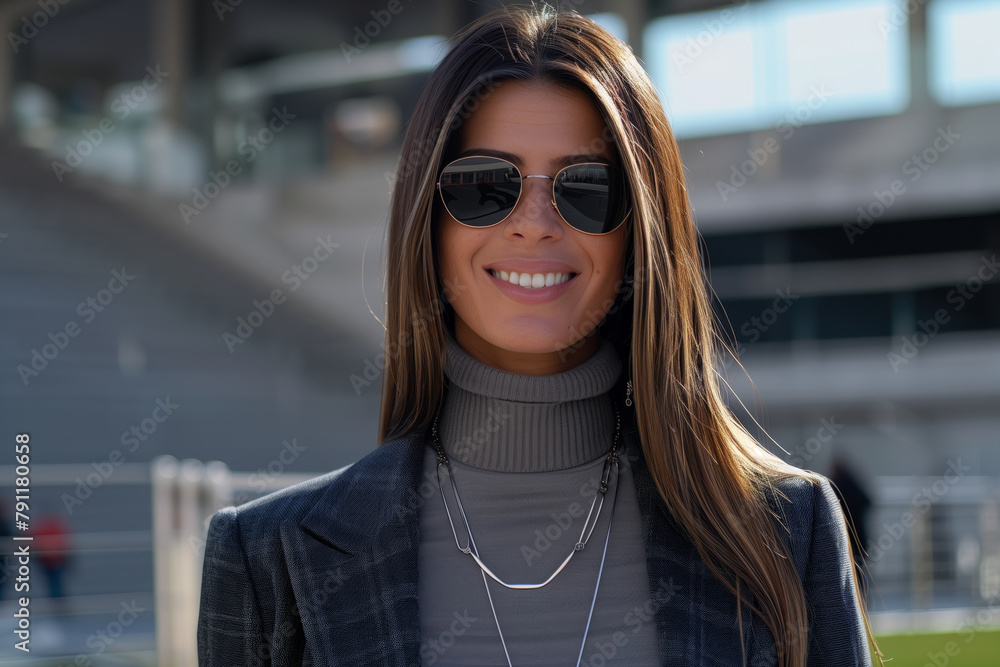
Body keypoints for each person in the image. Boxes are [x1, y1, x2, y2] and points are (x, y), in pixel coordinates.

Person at [197, 6, 882, 666]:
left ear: (638, 236)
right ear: (428, 221)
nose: (534, 222)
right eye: (485, 184)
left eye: (586, 188)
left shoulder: (787, 535)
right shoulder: (269, 559)